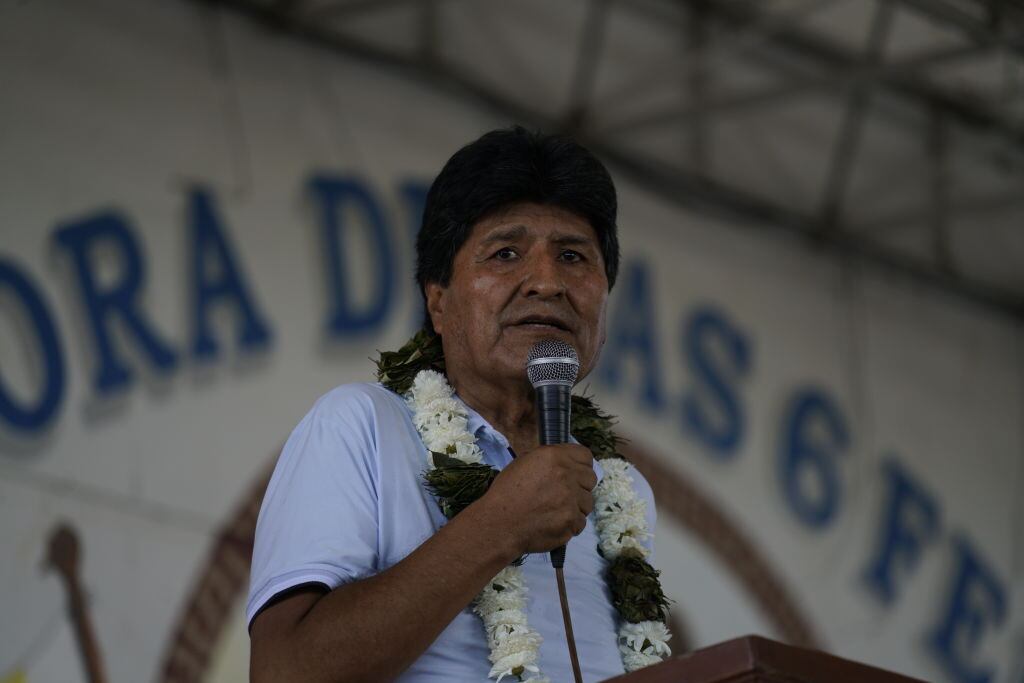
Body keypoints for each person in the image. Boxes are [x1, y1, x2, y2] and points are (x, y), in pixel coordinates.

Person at [247, 126, 664, 682]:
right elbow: (283, 672)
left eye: (572, 256)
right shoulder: (363, 426)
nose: (546, 281)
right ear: (438, 301)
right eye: (506, 253)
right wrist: (499, 524)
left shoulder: (621, 492)